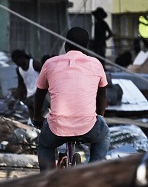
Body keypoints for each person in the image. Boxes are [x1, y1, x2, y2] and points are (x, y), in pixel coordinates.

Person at [31, 26, 109, 171]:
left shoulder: (50, 63)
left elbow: (40, 93)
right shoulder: (96, 64)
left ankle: (46, 180)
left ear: (66, 45)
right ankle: (94, 172)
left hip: (57, 128)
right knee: (103, 136)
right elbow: (102, 94)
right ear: (85, 48)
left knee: (45, 144)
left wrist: (37, 117)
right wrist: (100, 116)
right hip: (88, 126)